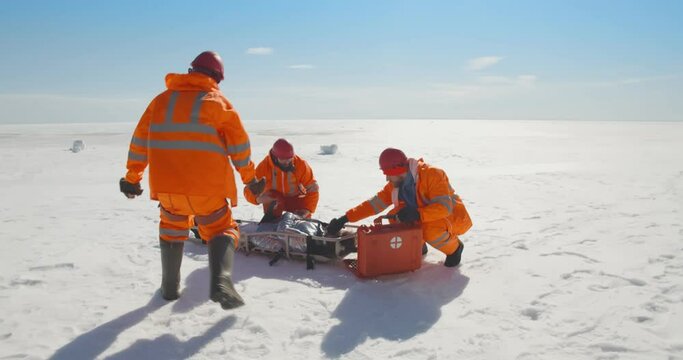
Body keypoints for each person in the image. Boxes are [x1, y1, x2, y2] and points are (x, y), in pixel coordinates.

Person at [119, 51, 265, 309]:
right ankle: (221, 280)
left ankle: (169, 288)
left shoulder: (161, 102)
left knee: (172, 229)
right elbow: (239, 148)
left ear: (191, 71)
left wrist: (132, 177)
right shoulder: (218, 103)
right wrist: (250, 180)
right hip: (207, 189)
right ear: (217, 77)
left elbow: (139, 141)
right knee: (222, 229)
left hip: (168, 189)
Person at [326, 148, 472, 267]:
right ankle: (417, 246)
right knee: (395, 217)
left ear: (397, 171)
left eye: (388, 175)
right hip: (428, 217)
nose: (387, 179)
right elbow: (374, 204)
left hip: (453, 218)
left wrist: (416, 214)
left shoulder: (432, 174)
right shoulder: (395, 185)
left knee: (429, 228)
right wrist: (344, 218)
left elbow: (444, 207)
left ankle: (455, 249)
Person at [244, 138, 319, 220]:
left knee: (302, 221)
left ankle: (301, 222)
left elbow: (313, 188)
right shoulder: (264, 167)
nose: (287, 162)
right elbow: (249, 189)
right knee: (272, 196)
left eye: (289, 159)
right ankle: (272, 221)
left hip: (296, 201)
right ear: (275, 157)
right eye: (283, 159)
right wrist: (258, 199)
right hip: (275, 202)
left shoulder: (301, 165)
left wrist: (306, 210)